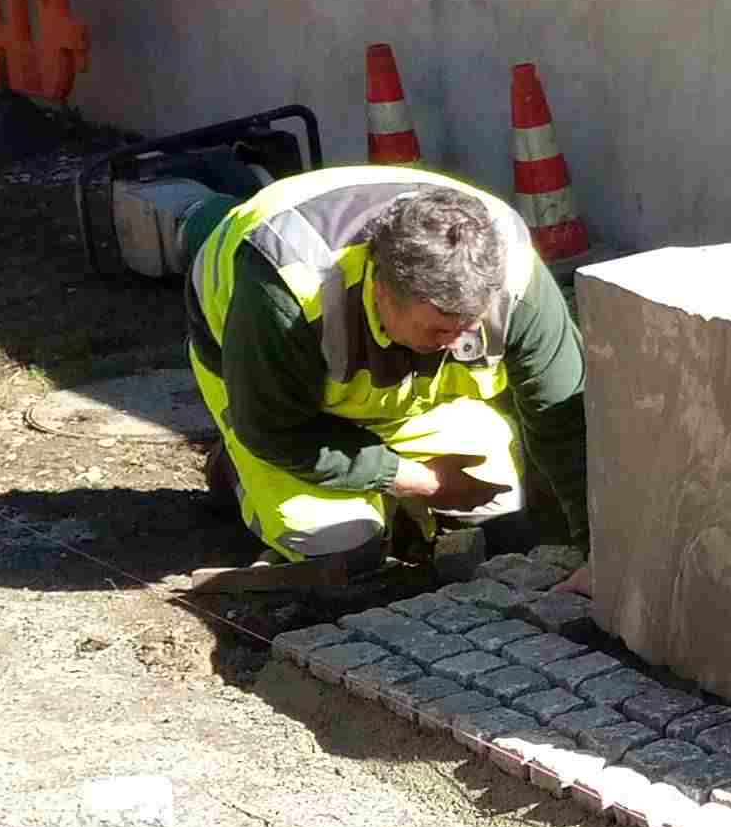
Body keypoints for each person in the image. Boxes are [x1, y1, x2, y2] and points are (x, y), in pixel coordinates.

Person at [183, 164, 587, 584]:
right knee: (345, 546)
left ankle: (391, 497)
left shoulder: (514, 278)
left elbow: (566, 421)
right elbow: (273, 428)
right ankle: (233, 469)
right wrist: (420, 480)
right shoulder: (285, 284)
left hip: (398, 396)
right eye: (438, 330)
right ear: (381, 290)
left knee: (496, 502)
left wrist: (599, 554)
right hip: (277, 407)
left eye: (470, 325)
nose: (457, 342)